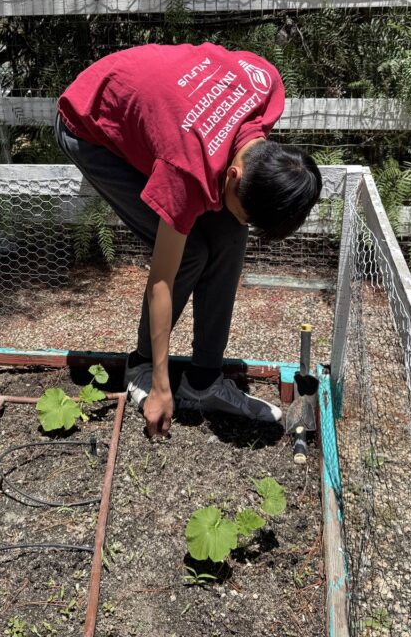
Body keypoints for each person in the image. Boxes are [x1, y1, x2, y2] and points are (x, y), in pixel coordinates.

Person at [55, 43, 322, 439]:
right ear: (232, 175)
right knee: (190, 253)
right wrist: (161, 386)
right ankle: (141, 365)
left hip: (168, 114)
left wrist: (237, 211)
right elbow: (162, 280)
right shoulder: (184, 168)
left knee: (230, 234)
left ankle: (204, 382)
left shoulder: (265, 85)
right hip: (90, 120)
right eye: (245, 210)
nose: (244, 221)